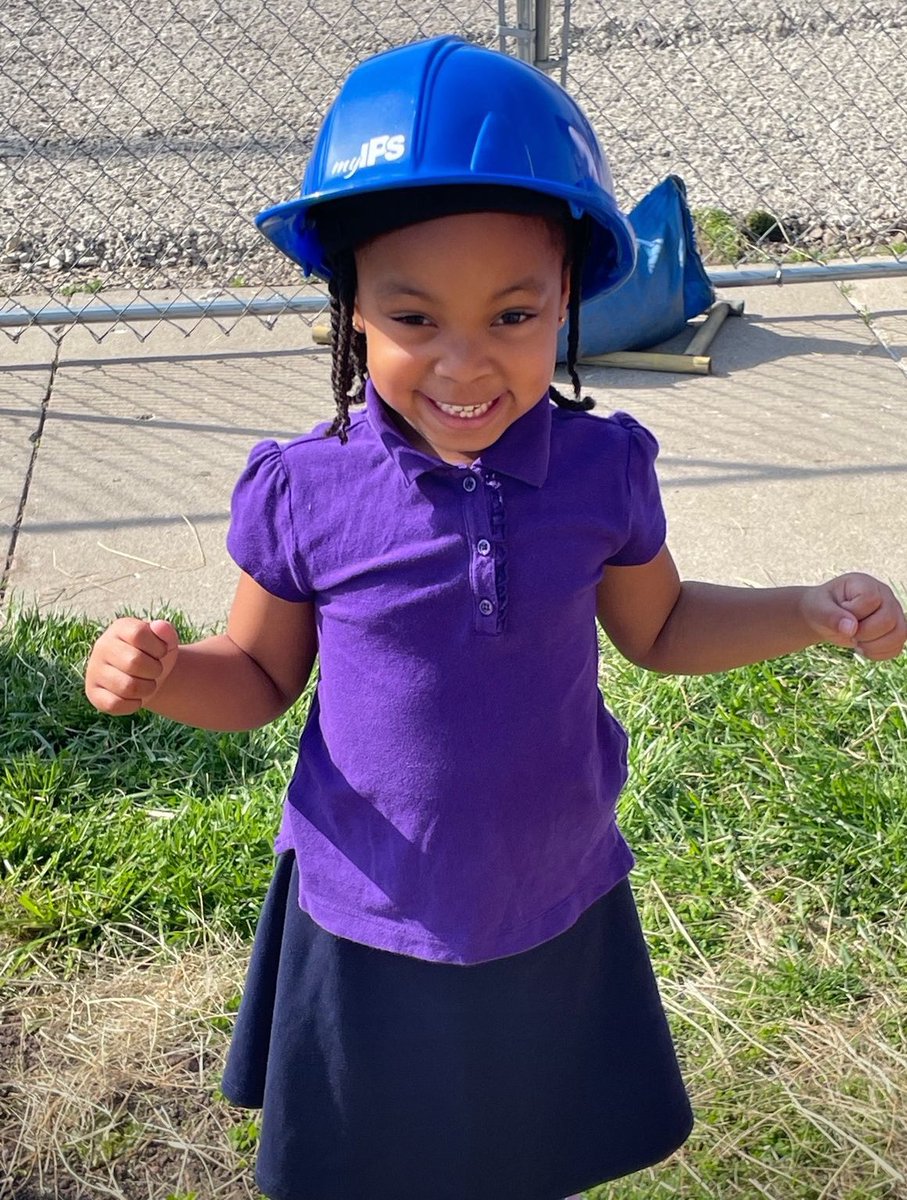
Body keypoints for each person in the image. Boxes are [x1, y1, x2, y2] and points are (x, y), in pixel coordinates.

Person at [84, 35, 906, 1200]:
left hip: (551, 897)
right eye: (414, 318)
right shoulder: (306, 490)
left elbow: (662, 629)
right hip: (369, 914)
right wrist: (166, 676)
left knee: (525, 1154)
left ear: (568, 300)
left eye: (513, 314)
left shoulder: (600, 470)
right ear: (350, 308)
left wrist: (804, 610)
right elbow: (259, 679)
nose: (465, 366)